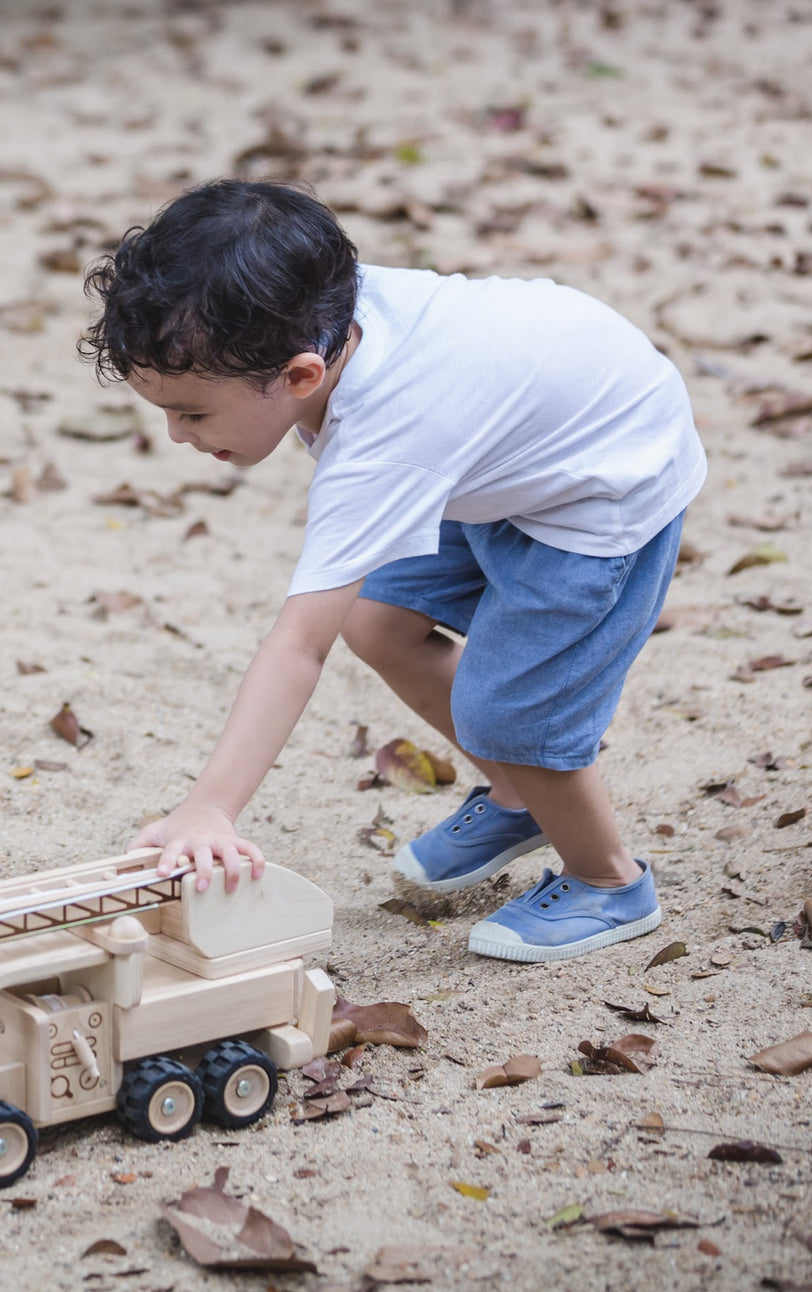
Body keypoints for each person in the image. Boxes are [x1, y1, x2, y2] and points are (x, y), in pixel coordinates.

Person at [78, 179, 706, 963]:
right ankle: (518, 797)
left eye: (193, 412)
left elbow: (295, 645)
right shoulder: (312, 305)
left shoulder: (385, 436)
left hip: (603, 484)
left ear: (302, 375)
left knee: (511, 714)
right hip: (507, 448)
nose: (175, 434)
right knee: (378, 622)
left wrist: (209, 807)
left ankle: (608, 881)